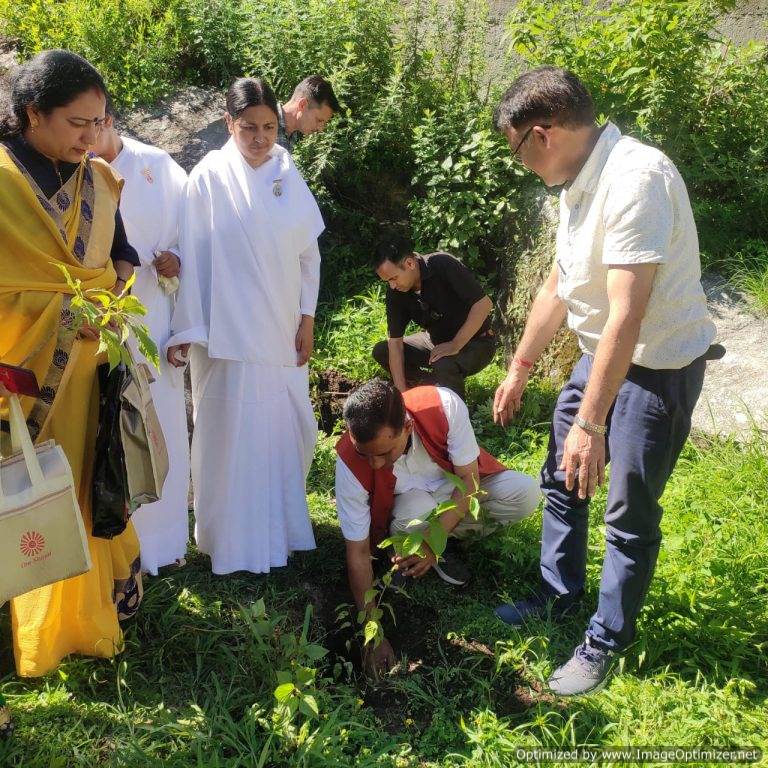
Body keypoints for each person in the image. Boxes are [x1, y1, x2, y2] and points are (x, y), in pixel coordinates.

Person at [491, 67, 717, 696]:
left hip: (656, 365)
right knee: (563, 477)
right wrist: (521, 366)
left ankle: (603, 641)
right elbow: (561, 283)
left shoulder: (634, 179)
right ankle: (557, 598)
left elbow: (628, 312)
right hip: (603, 355)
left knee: (627, 510)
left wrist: (593, 425)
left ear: (543, 134)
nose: (523, 165)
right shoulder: (577, 182)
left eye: (519, 152)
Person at [0, 49, 143, 677]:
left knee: (83, 491)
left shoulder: (101, 183)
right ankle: (26, 637)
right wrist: (60, 310)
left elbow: (122, 259)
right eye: (78, 124)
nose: (93, 137)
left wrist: (110, 304)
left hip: (87, 375)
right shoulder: (2, 184)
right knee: (22, 503)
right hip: (15, 378)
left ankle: (82, 624)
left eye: (99, 121)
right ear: (33, 114)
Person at [166, 77, 323, 575]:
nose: (260, 138)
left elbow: (308, 257)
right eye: (249, 127)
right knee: (228, 433)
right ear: (229, 123)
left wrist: (307, 318)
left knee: (286, 427)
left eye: (269, 127)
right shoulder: (208, 177)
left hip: (280, 328)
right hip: (225, 336)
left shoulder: (288, 174)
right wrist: (189, 327)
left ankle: (281, 530)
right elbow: (191, 252)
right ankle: (229, 540)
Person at [335, 378, 540, 676]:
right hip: (408, 506)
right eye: (365, 454)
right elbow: (357, 552)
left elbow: (469, 482)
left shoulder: (443, 406)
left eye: (384, 453)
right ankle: (413, 553)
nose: (375, 464)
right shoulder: (349, 462)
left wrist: (433, 542)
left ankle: (443, 546)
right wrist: (373, 634)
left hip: (453, 485)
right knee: (415, 515)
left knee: (524, 493)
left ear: (407, 428)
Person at [93, 110, 191, 575]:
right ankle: (119, 551)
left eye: (93, 124)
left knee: (163, 427)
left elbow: (193, 233)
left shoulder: (158, 164)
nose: (86, 137)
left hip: (155, 319)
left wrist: (179, 258)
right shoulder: (77, 172)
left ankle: (166, 541)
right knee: (110, 430)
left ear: (109, 119)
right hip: (100, 326)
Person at [372, 232, 496, 401]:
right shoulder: (395, 292)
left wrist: (455, 344)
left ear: (409, 263)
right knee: (381, 350)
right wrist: (403, 396)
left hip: (477, 342)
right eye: (387, 281)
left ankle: (454, 415)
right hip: (434, 342)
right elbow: (395, 343)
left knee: (443, 363)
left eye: (394, 278)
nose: (392, 285)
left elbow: (484, 304)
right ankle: (428, 389)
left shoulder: (442, 264)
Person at [276, 75, 340, 153]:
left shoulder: (292, 135)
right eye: (319, 120)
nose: (321, 129)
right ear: (302, 105)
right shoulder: (263, 122)